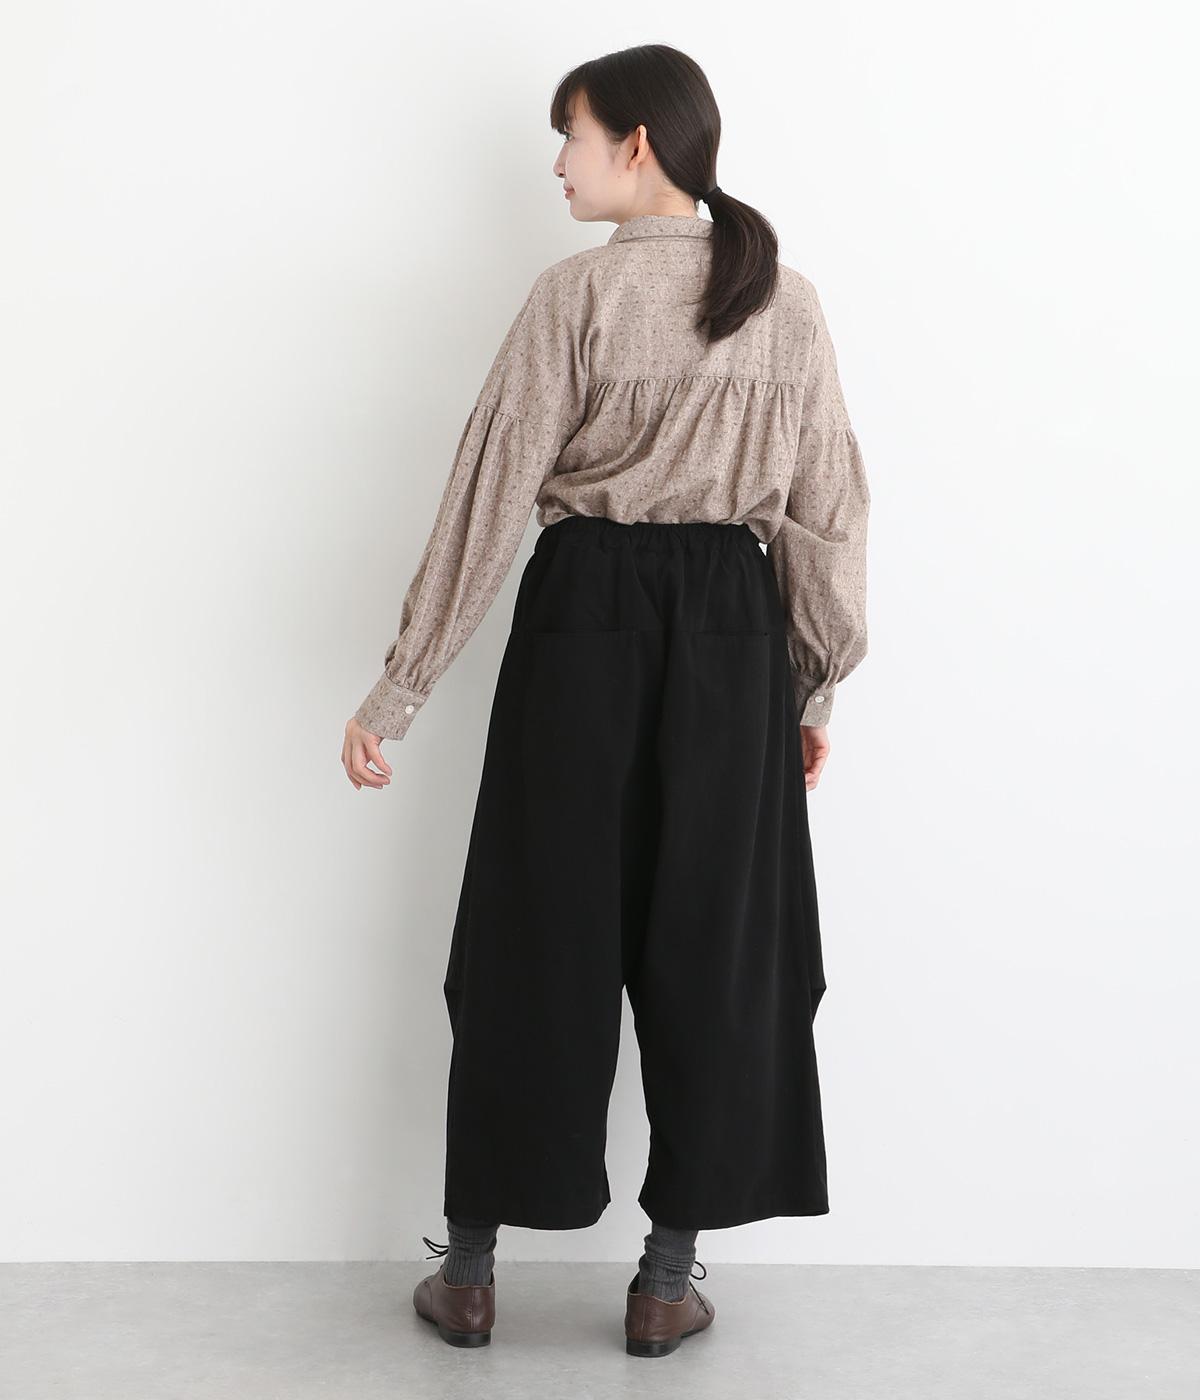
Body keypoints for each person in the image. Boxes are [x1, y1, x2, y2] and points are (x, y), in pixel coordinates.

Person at [340, 44, 870, 1358]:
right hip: (735, 629)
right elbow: (827, 515)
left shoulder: (574, 296)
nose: (558, 162)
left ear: (637, 142)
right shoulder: (786, 300)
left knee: (536, 927)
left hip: (584, 610)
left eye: (570, 135)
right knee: (718, 942)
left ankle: (472, 1273)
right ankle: (665, 1282)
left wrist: (400, 690)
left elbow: (489, 497)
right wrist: (814, 686)